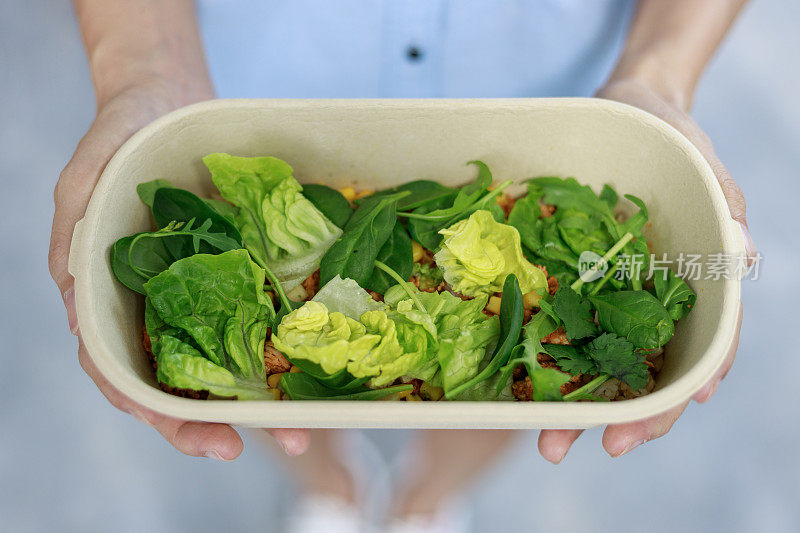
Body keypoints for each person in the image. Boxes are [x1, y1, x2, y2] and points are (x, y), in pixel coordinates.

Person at [49, 0, 756, 530]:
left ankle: (429, 495)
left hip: (550, 96)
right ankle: (330, 486)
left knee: (496, 391)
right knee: (278, 397)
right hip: (253, 90)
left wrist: (659, 74)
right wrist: (144, 66)